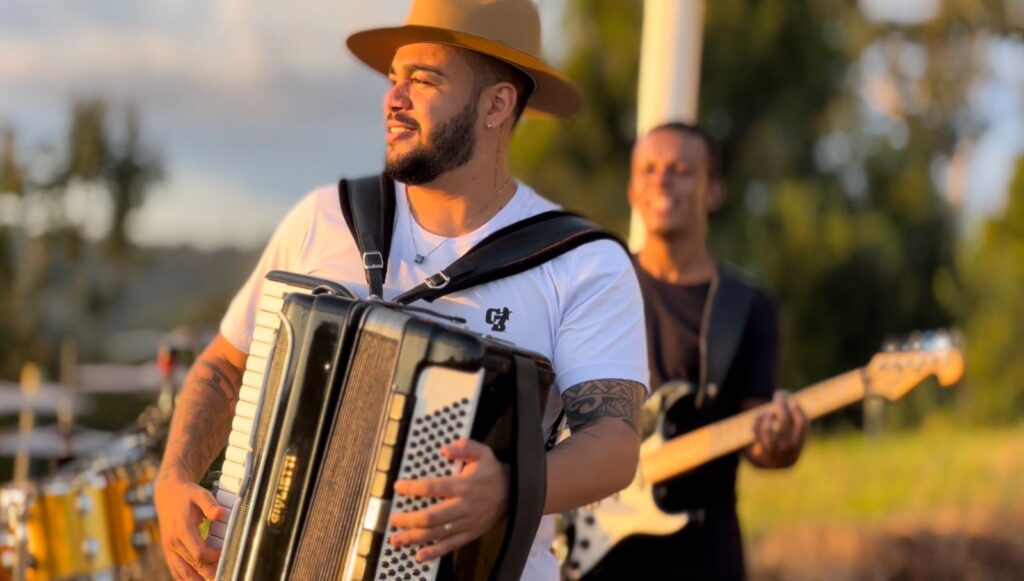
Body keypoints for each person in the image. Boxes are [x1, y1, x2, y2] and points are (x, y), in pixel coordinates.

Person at [152, 1, 649, 580]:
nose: (393, 98)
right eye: (394, 79)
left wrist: (509, 488)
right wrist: (174, 475)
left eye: (423, 79)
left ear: (496, 104)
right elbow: (226, 367)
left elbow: (614, 442)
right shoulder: (325, 217)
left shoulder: (582, 263)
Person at [593, 122, 809, 580]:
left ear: (713, 192)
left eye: (681, 169)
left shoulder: (748, 306)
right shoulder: (597, 287)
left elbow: (760, 444)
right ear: (633, 189)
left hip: (702, 554)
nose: (662, 181)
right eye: (648, 170)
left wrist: (782, 444)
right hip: (594, 548)